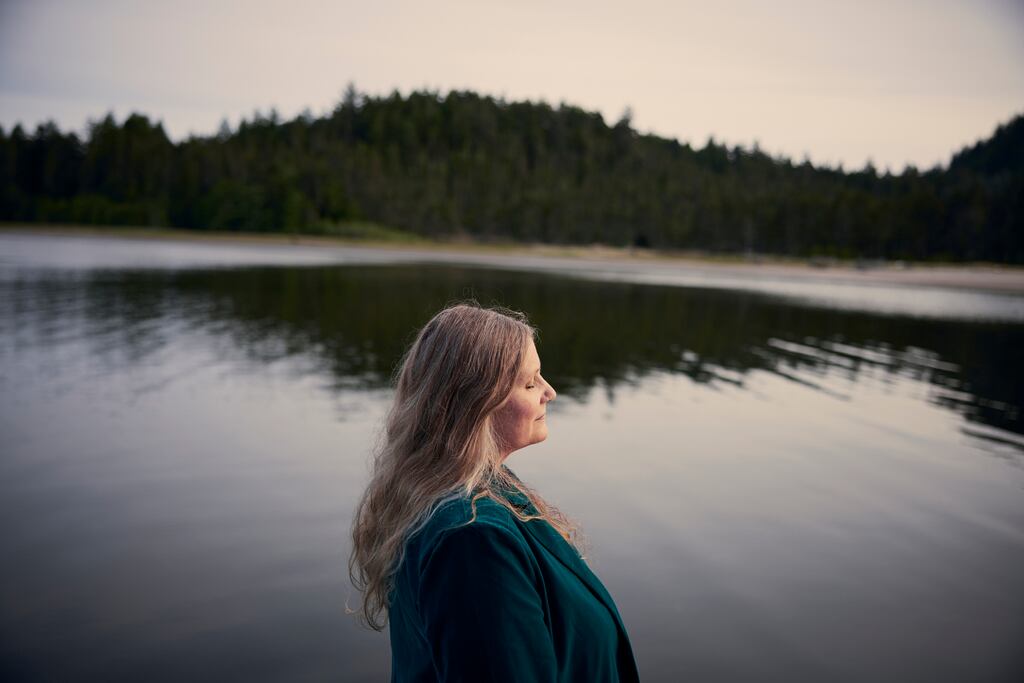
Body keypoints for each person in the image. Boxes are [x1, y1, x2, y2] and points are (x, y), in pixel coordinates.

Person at [349, 302, 639, 682]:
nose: (549, 392)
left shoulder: (477, 485)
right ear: (475, 401)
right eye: (531, 383)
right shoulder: (471, 539)